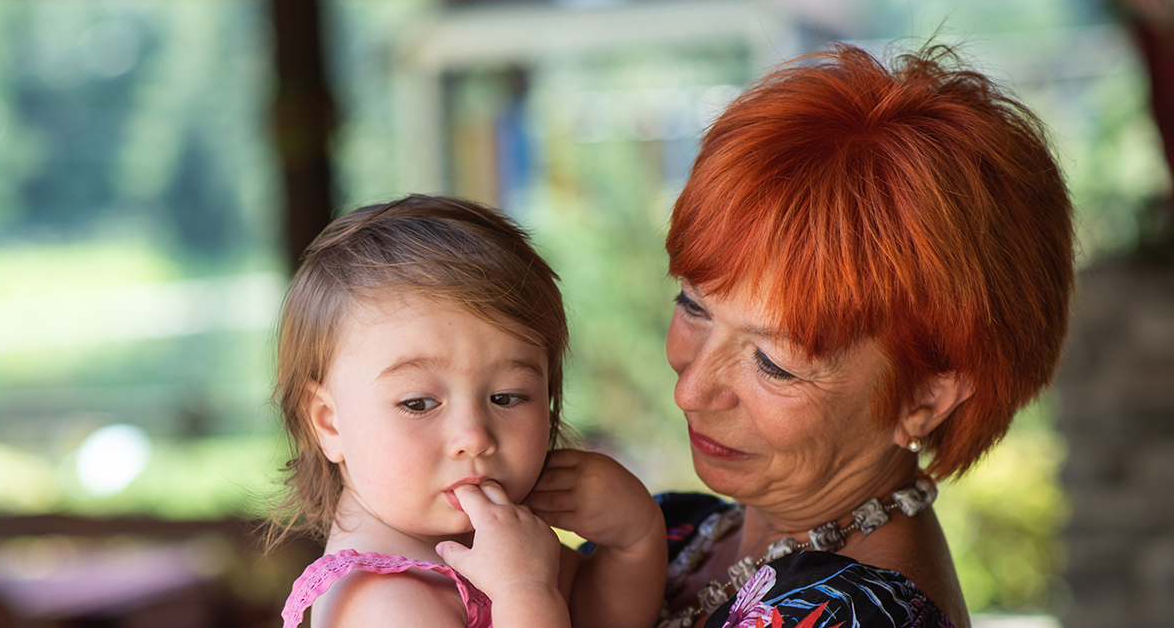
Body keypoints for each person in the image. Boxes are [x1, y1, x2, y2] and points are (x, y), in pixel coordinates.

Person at [655, 43, 1074, 628]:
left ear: (924, 397)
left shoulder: (858, 616)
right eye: (693, 306)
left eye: (773, 362)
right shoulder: (671, 534)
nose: (692, 390)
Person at [269, 195, 667, 628]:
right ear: (330, 422)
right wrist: (524, 592)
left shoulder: (499, 543)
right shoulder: (382, 604)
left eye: (507, 397)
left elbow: (601, 618)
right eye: (418, 404)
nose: (475, 436)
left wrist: (636, 539)